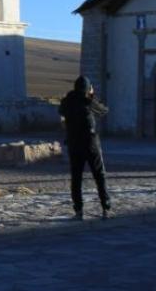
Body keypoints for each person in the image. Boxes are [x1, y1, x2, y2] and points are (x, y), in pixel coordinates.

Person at [59, 75, 111, 220]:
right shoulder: (88, 102)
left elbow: (61, 111)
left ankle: (78, 211)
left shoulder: (67, 101)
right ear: (88, 88)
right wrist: (92, 96)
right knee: (99, 176)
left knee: (76, 178)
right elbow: (104, 111)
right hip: (91, 144)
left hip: (74, 144)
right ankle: (105, 207)